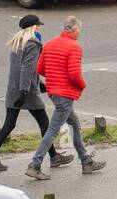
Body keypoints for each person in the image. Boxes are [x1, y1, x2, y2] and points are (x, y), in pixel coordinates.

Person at [0, 15, 71, 172]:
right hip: (26, 92)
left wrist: (39, 83)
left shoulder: (18, 42)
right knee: (45, 124)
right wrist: (25, 91)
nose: (40, 28)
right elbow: (27, 68)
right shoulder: (33, 43)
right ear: (34, 27)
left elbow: (19, 69)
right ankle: (54, 157)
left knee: (9, 124)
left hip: (13, 89)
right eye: (39, 26)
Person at [25, 15, 105, 180]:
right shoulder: (74, 47)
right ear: (75, 29)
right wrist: (82, 86)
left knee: (74, 123)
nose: (79, 33)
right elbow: (74, 74)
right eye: (79, 30)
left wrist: (55, 77)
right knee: (53, 130)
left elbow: (40, 69)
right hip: (65, 94)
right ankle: (35, 164)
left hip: (54, 92)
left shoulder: (50, 44)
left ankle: (86, 161)